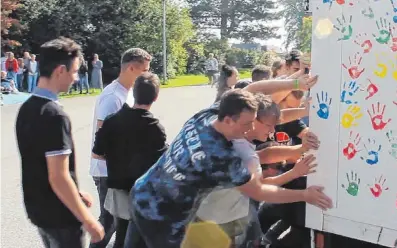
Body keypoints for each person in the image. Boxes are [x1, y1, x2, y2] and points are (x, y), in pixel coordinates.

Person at [128, 89, 332, 248]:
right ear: (228, 119)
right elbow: (259, 190)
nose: (250, 129)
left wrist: (295, 86)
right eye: (246, 124)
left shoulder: (206, 115)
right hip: (160, 215)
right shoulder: (220, 157)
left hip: (142, 189)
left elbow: (255, 89)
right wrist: (304, 195)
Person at [195, 94, 319, 248]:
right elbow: (260, 189)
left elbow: (264, 154)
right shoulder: (244, 152)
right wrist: (302, 191)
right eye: (269, 126)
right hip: (223, 223)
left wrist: (301, 147)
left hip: (211, 215)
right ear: (253, 120)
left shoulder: (232, 134)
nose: (273, 130)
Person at [15, 37, 105, 248]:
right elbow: (58, 176)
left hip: (38, 209)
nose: (75, 78)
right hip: (60, 216)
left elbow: (39, 164)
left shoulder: (27, 108)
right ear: (60, 71)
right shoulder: (55, 115)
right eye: (74, 72)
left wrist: (75, 191)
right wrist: (88, 220)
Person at [92, 72, 165, 248]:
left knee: (121, 231)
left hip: (118, 188)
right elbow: (161, 162)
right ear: (155, 97)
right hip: (143, 192)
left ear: (134, 91)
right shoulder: (155, 128)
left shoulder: (113, 121)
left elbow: (97, 153)